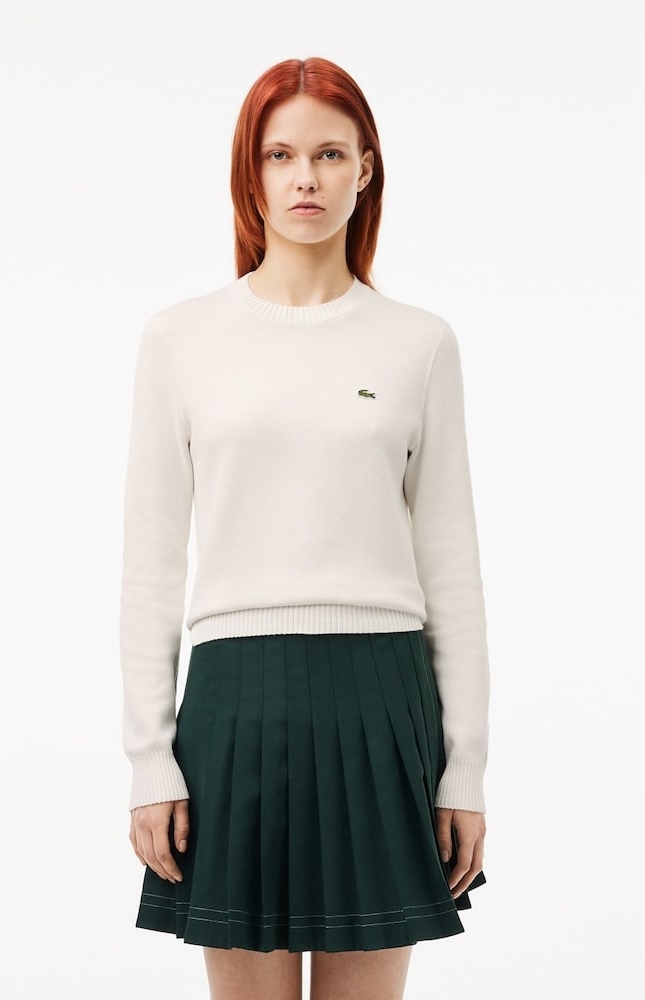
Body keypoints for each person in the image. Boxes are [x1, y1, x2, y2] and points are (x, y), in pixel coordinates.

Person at [121, 56, 491, 1000]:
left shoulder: (419, 343)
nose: (305, 179)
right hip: (233, 704)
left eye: (329, 154)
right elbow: (151, 568)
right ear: (250, 172)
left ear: (366, 167)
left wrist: (466, 771)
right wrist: (150, 759)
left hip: (382, 700)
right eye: (279, 155)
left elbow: (452, 570)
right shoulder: (180, 339)